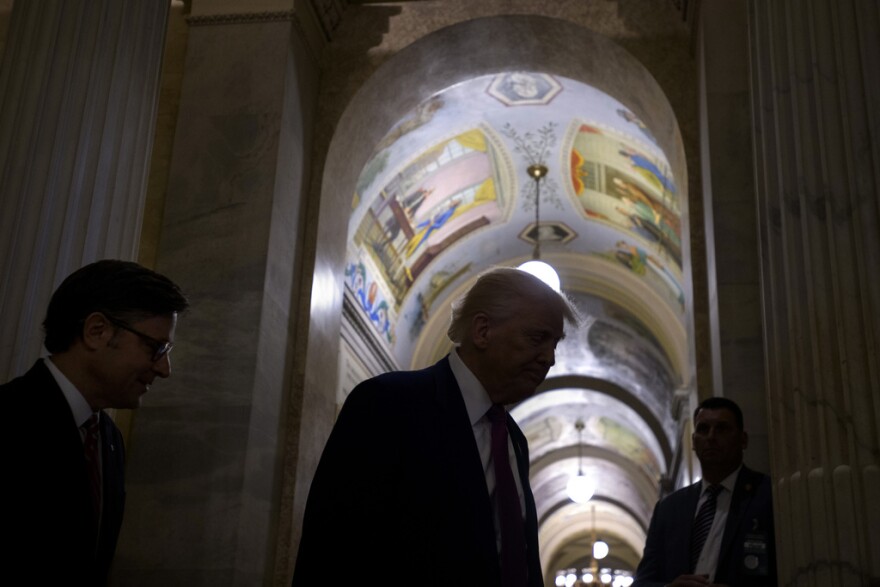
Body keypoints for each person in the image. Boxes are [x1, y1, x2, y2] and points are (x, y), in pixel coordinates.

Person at [292, 267, 579, 587]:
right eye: (538, 338)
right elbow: (331, 553)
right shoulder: (387, 405)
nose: (550, 359)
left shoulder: (515, 439)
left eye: (555, 343)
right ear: (483, 331)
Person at [0, 259, 189, 585]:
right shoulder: (9, 417)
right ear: (97, 331)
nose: (164, 369)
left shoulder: (109, 440)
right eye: (156, 347)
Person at [634, 397, 777, 586]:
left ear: (743, 440)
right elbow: (642, 582)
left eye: (722, 428)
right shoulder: (669, 509)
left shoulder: (768, 494)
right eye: (703, 429)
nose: (711, 437)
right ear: (693, 442)